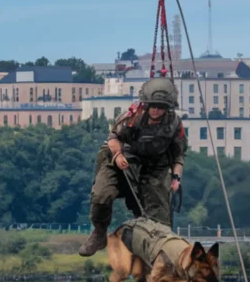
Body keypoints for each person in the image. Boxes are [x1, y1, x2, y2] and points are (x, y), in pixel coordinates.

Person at [78, 77, 187, 257]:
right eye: (152, 106)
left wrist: (175, 178)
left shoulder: (174, 124)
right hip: (122, 160)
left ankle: (159, 258)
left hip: (154, 167)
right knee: (101, 195)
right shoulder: (133, 116)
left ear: (167, 108)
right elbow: (113, 137)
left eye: (160, 107)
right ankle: (99, 234)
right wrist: (119, 155)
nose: (156, 110)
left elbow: (178, 154)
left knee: (159, 219)